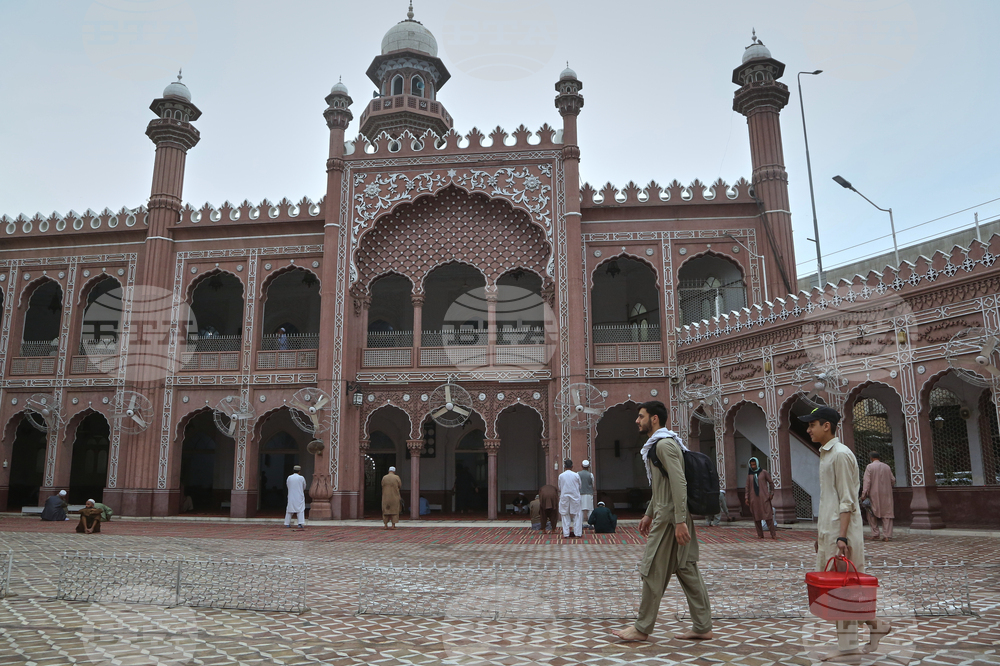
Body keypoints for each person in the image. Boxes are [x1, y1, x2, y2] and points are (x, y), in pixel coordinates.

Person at [613, 400, 712, 642]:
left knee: (650, 570)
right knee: (687, 570)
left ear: (654, 419)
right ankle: (702, 626)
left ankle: (642, 627)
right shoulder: (659, 445)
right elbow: (662, 487)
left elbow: (679, 483)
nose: (637, 420)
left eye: (641, 416)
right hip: (670, 514)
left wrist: (679, 521)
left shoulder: (664, 445)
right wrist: (649, 512)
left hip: (670, 519)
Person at [800, 406, 891, 660]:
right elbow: (830, 499)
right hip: (831, 530)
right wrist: (824, 536)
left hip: (842, 532)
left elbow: (847, 501)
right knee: (841, 589)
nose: (808, 429)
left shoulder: (839, 455)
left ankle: (857, 641)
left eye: (812, 424)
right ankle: (869, 630)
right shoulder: (827, 454)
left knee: (845, 589)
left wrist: (841, 537)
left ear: (826, 426)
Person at [861, 451, 895, 541]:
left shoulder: (870, 467)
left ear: (871, 458)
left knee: (871, 513)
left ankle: (875, 533)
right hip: (887, 494)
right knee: (887, 514)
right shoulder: (887, 467)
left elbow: (867, 482)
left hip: (874, 494)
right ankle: (887, 535)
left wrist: (864, 494)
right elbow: (893, 480)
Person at [745, 457, 777, 539]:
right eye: (751, 465)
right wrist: (746, 498)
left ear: (757, 464)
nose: (753, 466)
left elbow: (771, 483)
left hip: (764, 497)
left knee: (768, 517)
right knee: (756, 517)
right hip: (754, 499)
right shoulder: (750, 475)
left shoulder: (763, 472)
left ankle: (773, 534)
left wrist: (771, 493)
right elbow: (747, 487)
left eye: (754, 464)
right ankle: (760, 534)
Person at [558, 459, 582, 538]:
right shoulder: (576, 475)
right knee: (577, 514)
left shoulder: (561, 476)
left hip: (564, 496)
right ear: (572, 466)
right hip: (575, 496)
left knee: (565, 514)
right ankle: (577, 533)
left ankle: (566, 534)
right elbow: (580, 486)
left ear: (564, 467)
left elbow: (559, 487)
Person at [284, 465, 307, 529]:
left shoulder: (289, 477)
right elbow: (304, 486)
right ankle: (300, 523)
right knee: (300, 510)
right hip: (299, 495)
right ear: (299, 471)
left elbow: (287, 485)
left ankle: (287, 523)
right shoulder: (301, 478)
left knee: (289, 509)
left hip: (291, 495)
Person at [579, 459, 595, 527]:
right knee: (590, 510)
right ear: (588, 466)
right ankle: (591, 524)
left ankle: (580, 524)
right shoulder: (591, 474)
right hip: (589, 494)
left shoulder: (578, 474)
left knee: (581, 510)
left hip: (580, 494)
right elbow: (593, 485)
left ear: (581, 466)